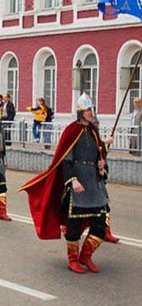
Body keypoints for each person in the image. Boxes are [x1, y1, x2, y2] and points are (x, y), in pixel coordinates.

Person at [19, 93, 111, 274]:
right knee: (74, 225)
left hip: (94, 183)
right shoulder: (71, 131)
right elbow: (65, 160)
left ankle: (86, 256)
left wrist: (102, 161)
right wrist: (73, 180)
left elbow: (98, 154)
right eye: (88, 110)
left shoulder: (93, 131)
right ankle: (72, 260)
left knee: (101, 223)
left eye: (92, 109)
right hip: (77, 183)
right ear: (80, 112)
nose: (91, 112)